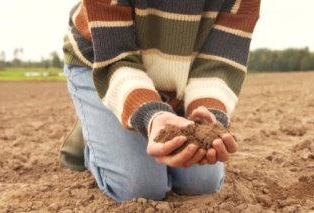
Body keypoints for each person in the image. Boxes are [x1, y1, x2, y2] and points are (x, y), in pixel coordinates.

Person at [60, 0, 260, 202]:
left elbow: (219, 63)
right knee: (140, 188)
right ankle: (97, 130)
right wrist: (151, 116)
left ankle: (122, 120)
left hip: (181, 74)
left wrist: (207, 115)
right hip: (103, 64)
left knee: (201, 184)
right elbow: (115, 58)